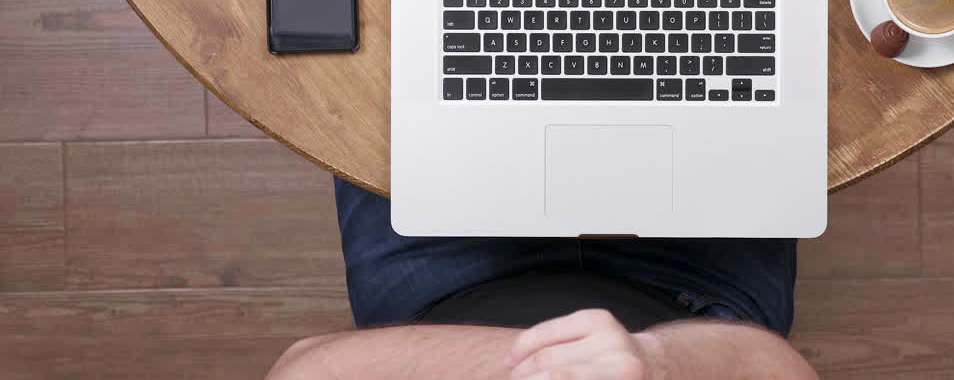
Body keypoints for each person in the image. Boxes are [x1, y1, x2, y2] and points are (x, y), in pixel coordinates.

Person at [265, 179, 819, 379]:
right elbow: (774, 369)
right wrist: (651, 363)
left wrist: (544, 368)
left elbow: (306, 368)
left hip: (439, 284)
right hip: (694, 297)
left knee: (398, 2)